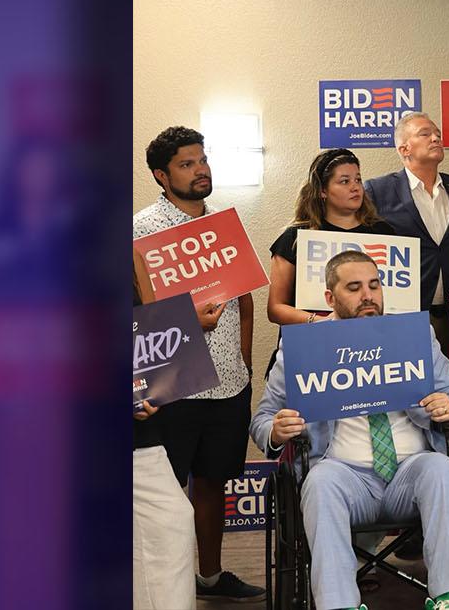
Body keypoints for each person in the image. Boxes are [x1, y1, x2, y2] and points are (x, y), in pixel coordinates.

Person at [251, 250, 449, 610]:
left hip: (410, 470)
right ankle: (339, 604)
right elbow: (262, 418)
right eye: (354, 287)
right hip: (344, 475)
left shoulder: (414, 335)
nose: (368, 295)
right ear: (329, 298)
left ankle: (448, 597)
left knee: (441, 469)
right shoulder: (303, 347)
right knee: (320, 482)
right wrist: (276, 431)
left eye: (374, 285)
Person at [133, 126, 263, 601]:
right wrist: (189, 322)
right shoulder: (142, 228)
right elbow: (141, 316)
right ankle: (166, 585)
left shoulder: (225, 221)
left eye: (202, 160)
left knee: (213, 484)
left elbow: (245, 301)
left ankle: (210, 576)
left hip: (229, 383)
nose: (201, 169)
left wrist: (245, 363)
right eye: (187, 164)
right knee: (166, 498)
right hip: (175, 386)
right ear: (161, 176)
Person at [364, 112, 449, 360]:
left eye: (438, 134)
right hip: (405, 317)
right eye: (425, 134)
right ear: (404, 148)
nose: (436, 138)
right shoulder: (377, 191)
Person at [267, 148, 396, 327]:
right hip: (314, 341)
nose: (355, 187)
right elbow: (275, 308)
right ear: (322, 191)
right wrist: (325, 323)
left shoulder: (384, 233)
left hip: (373, 337)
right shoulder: (294, 238)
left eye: (358, 179)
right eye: (344, 181)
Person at [133, 272, 196, 610]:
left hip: (138, 437)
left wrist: (150, 391)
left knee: (173, 521)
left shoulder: (130, 256)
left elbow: (149, 332)